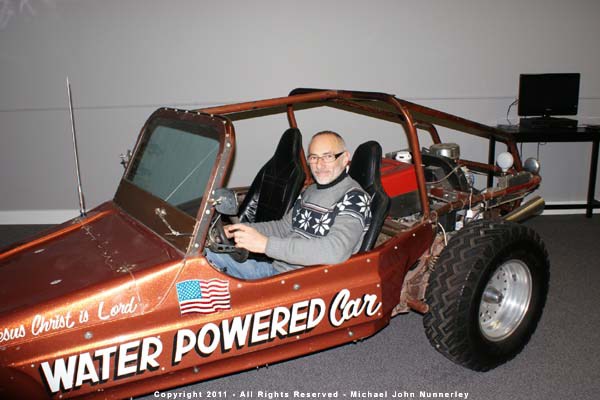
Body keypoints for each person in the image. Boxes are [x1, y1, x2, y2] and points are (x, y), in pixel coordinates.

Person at [206, 131, 371, 279]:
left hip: (304, 284)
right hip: (277, 272)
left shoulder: (355, 198)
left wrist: (266, 245)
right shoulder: (310, 191)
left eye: (328, 157)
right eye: (314, 158)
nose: (319, 165)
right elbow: (283, 227)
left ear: (345, 158)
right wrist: (238, 230)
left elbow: (335, 250)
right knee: (204, 258)